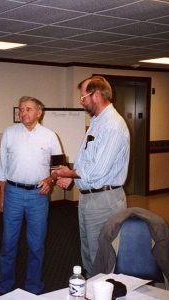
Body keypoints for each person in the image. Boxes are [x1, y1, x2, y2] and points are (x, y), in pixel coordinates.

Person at [52, 75, 130, 277]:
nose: (81, 101)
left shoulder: (112, 125)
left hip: (104, 199)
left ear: (96, 95)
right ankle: (92, 290)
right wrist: (73, 177)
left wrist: (70, 172)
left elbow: (99, 170)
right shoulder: (97, 122)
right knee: (88, 252)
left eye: (83, 96)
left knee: (102, 254)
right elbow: (88, 161)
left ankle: (103, 292)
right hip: (90, 197)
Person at [0, 96, 62, 295]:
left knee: (36, 244)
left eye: (28, 109)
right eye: (21, 109)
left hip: (38, 196)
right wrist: (1, 196)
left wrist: (50, 181)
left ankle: (33, 286)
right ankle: (5, 285)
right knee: (8, 242)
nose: (23, 113)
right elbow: (2, 168)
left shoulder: (50, 135)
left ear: (39, 112)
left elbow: (58, 167)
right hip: (13, 193)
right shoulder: (9, 133)